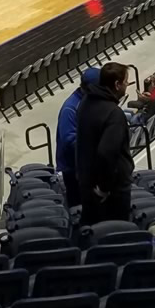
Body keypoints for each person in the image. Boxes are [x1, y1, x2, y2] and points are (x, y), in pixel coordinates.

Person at [75, 62, 132, 224]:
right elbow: (106, 153)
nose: (127, 85)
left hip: (87, 183)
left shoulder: (85, 102)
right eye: (126, 82)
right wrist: (104, 188)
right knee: (114, 234)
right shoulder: (114, 113)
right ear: (117, 84)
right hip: (110, 192)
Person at [56, 66, 101, 207]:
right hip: (73, 168)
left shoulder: (89, 101)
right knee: (78, 207)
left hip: (85, 165)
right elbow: (69, 140)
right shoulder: (70, 108)